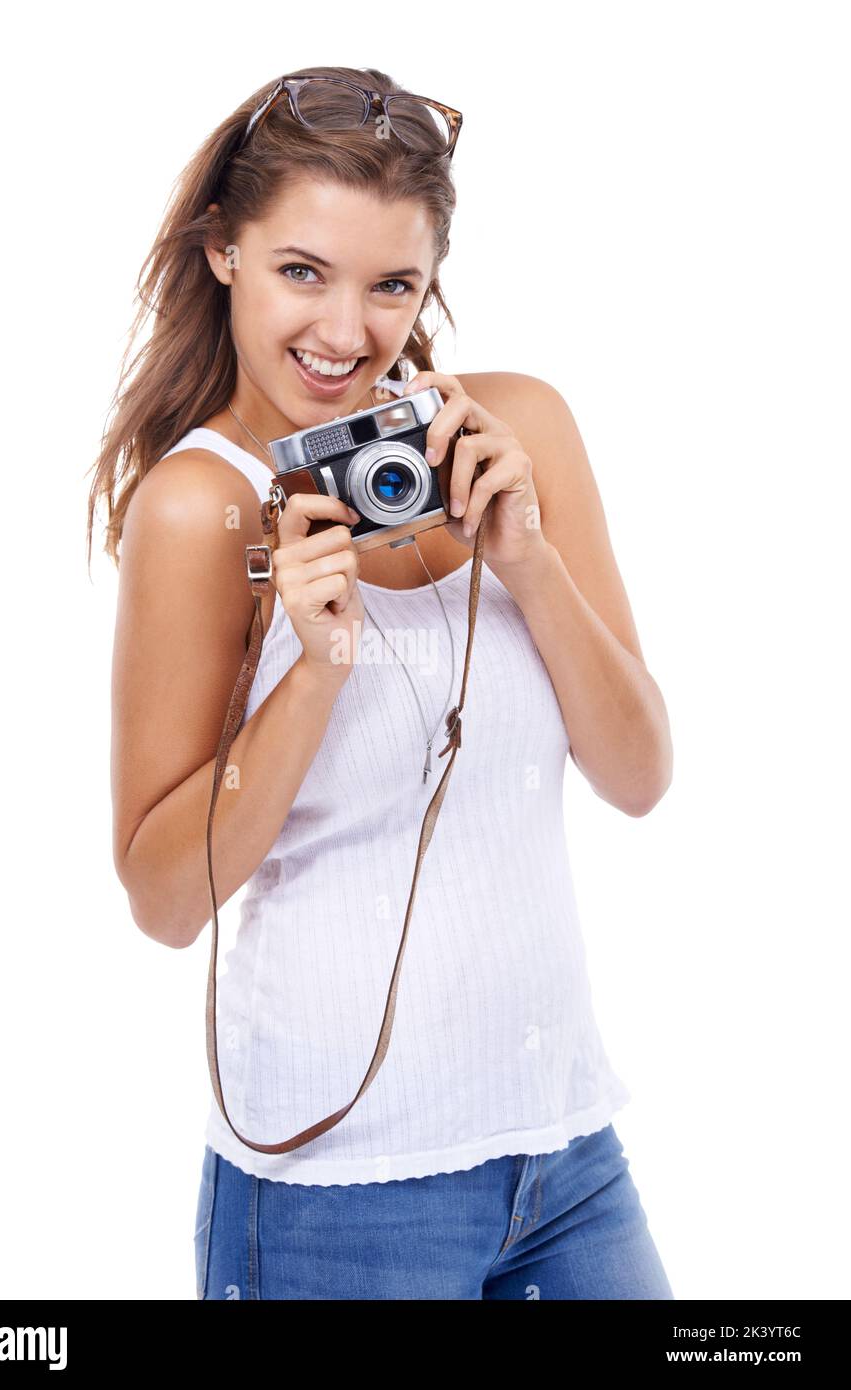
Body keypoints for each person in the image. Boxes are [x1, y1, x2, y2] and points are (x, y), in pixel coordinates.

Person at [88, 65, 675, 1301]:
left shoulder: (517, 429)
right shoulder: (201, 507)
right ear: (223, 253)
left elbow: (635, 774)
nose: (345, 332)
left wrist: (525, 558)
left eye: (390, 284)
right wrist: (315, 666)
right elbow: (162, 897)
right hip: (334, 1193)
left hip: (564, 1155)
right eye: (303, 270)